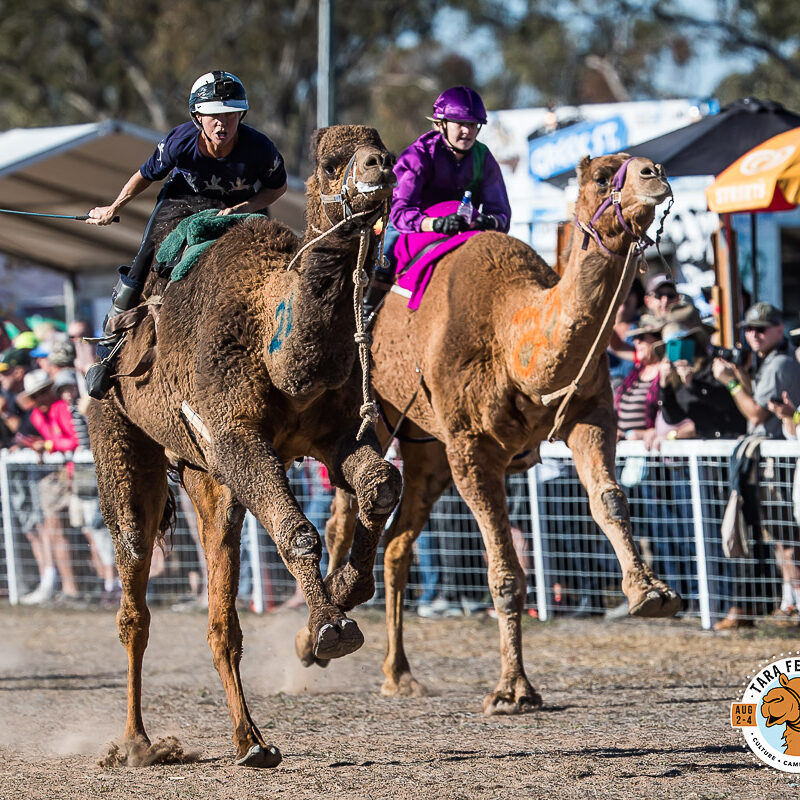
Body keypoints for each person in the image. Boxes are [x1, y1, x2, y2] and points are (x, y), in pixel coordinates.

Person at [85, 70, 288, 398]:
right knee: (144, 257)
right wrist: (114, 206)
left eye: (230, 116)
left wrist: (242, 208)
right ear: (198, 117)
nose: (221, 124)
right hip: (183, 198)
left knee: (272, 257)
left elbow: (275, 189)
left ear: (241, 116)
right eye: (213, 117)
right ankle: (109, 349)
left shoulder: (260, 148)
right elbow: (144, 175)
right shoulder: (179, 141)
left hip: (241, 204)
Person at [365, 86, 511, 317]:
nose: (467, 131)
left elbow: (501, 214)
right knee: (383, 257)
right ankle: (366, 315)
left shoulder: (484, 158)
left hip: (464, 228)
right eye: (459, 124)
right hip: (411, 227)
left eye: (472, 125)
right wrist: (436, 224)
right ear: (440, 124)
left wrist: (486, 221)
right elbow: (400, 212)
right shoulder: (418, 155)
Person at [712, 302, 800, 629]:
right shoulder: (767, 361)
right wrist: (739, 376)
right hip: (770, 457)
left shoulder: (779, 364)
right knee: (779, 537)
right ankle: (788, 603)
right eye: (749, 328)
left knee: (787, 537)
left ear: (779, 328)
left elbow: (754, 414)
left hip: (778, 460)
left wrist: (732, 383)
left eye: (761, 328)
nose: (753, 334)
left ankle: (793, 605)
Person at [17, 369, 81, 604]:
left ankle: (98, 585)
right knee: (55, 531)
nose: (39, 400)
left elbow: (74, 439)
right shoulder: (35, 416)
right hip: (58, 476)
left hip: (77, 475)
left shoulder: (61, 409)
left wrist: (48, 445)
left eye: (42, 393)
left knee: (89, 532)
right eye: (34, 396)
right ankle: (68, 586)